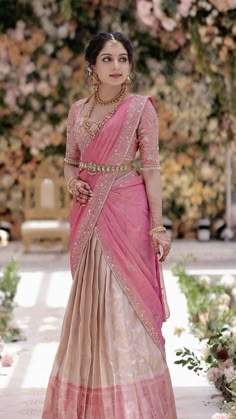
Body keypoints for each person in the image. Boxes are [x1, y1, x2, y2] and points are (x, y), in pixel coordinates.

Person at [42, 32, 177, 419]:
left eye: (122, 58)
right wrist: (73, 182)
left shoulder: (139, 109)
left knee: (126, 297)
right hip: (89, 213)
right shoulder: (78, 111)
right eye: (107, 59)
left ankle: (131, 406)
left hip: (128, 211)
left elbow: (151, 168)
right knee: (90, 298)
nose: (116, 66)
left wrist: (157, 226)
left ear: (130, 66)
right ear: (92, 66)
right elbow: (71, 160)